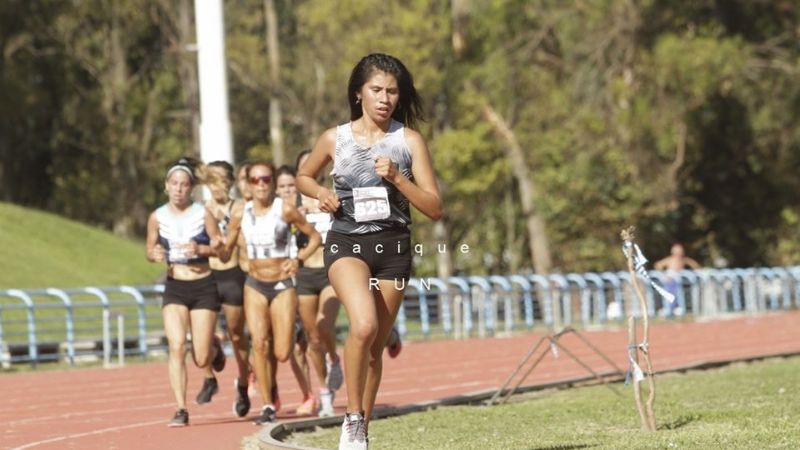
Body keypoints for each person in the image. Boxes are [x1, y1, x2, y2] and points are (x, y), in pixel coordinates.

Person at [297, 53, 442, 450]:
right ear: (358, 93)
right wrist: (323, 193)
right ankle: (352, 417)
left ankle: (361, 428)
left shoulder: (409, 141)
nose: (385, 98)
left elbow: (434, 207)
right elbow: (304, 176)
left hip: (393, 246)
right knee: (362, 325)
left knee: (375, 348)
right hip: (347, 242)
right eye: (376, 90)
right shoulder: (335, 138)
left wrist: (398, 178)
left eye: (392, 92)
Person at [220, 160, 321, 425]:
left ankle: (286, 343)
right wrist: (217, 245)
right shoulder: (241, 213)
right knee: (259, 344)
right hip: (254, 283)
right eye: (255, 180)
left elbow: (314, 238)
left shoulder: (285, 209)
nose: (261, 185)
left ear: (273, 182)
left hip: (282, 285)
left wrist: (298, 259)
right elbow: (225, 251)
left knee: (282, 352)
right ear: (248, 185)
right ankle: (267, 404)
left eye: (266, 179)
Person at [145, 157, 227, 427]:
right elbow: (149, 250)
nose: (179, 188)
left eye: (184, 184)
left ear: (191, 188)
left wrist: (202, 249)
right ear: (166, 186)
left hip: (203, 285)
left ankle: (213, 348)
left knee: (200, 356)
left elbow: (219, 248)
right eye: (174, 183)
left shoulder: (203, 214)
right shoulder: (156, 217)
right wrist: (154, 253)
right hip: (175, 286)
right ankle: (181, 408)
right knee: (176, 346)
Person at [196, 161, 251, 417]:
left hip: (232, 275)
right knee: (200, 336)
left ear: (229, 183)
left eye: (222, 181)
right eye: (212, 181)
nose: (217, 187)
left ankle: (242, 382)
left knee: (237, 335)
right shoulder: (199, 210)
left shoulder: (238, 207)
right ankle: (209, 376)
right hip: (206, 276)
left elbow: (236, 247)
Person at [293, 152, 344, 417]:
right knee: (312, 339)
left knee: (325, 326)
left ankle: (334, 358)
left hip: (330, 271)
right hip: (304, 275)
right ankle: (324, 393)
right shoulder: (291, 205)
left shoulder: (333, 196)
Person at [654, 243, 701, 317]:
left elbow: (694, 264)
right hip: (670, 279)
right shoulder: (670, 259)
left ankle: (679, 311)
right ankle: (668, 312)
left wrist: (696, 271)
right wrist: (665, 275)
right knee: (669, 296)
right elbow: (658, 265)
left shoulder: (683, 259)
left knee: (678, 295)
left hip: (678, 280)